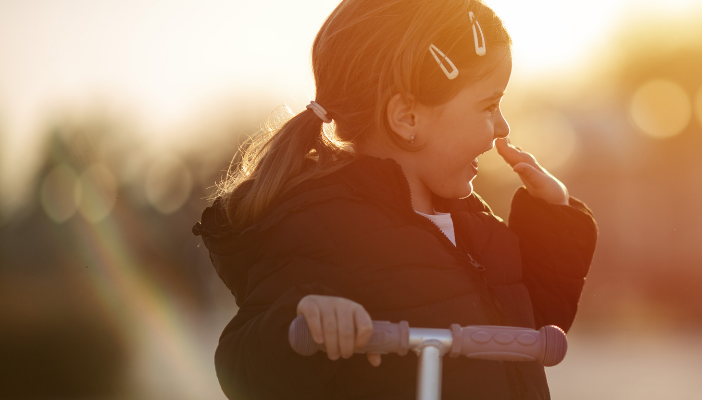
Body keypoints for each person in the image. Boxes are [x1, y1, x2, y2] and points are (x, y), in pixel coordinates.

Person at [191, 1, 597, 399]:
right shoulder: (328, 227)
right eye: (489, 104)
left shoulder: (473, 224)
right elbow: (244, 364)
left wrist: (553, 219)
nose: (502, 126)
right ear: (407, 118)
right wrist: (304, 320)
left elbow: (533, 327)